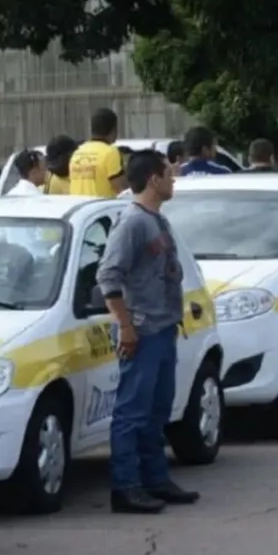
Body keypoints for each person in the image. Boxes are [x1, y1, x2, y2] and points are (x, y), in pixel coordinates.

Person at [96, 149, 200, 514]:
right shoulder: (132, 223)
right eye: (168, 175)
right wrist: (125, 326)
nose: (173, 180)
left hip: (163, 327)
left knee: (157, 410)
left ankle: (156, 479)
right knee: (132, 412)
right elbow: (108, 275)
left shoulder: (157, 220)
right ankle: (125, 487)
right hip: (142, 330)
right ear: (153, 179)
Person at [69, 108, 126, 197]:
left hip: (78, 205)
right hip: (102, 205)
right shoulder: (110, 152)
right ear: (114, 130)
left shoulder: (77, 152)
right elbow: (121, 190)